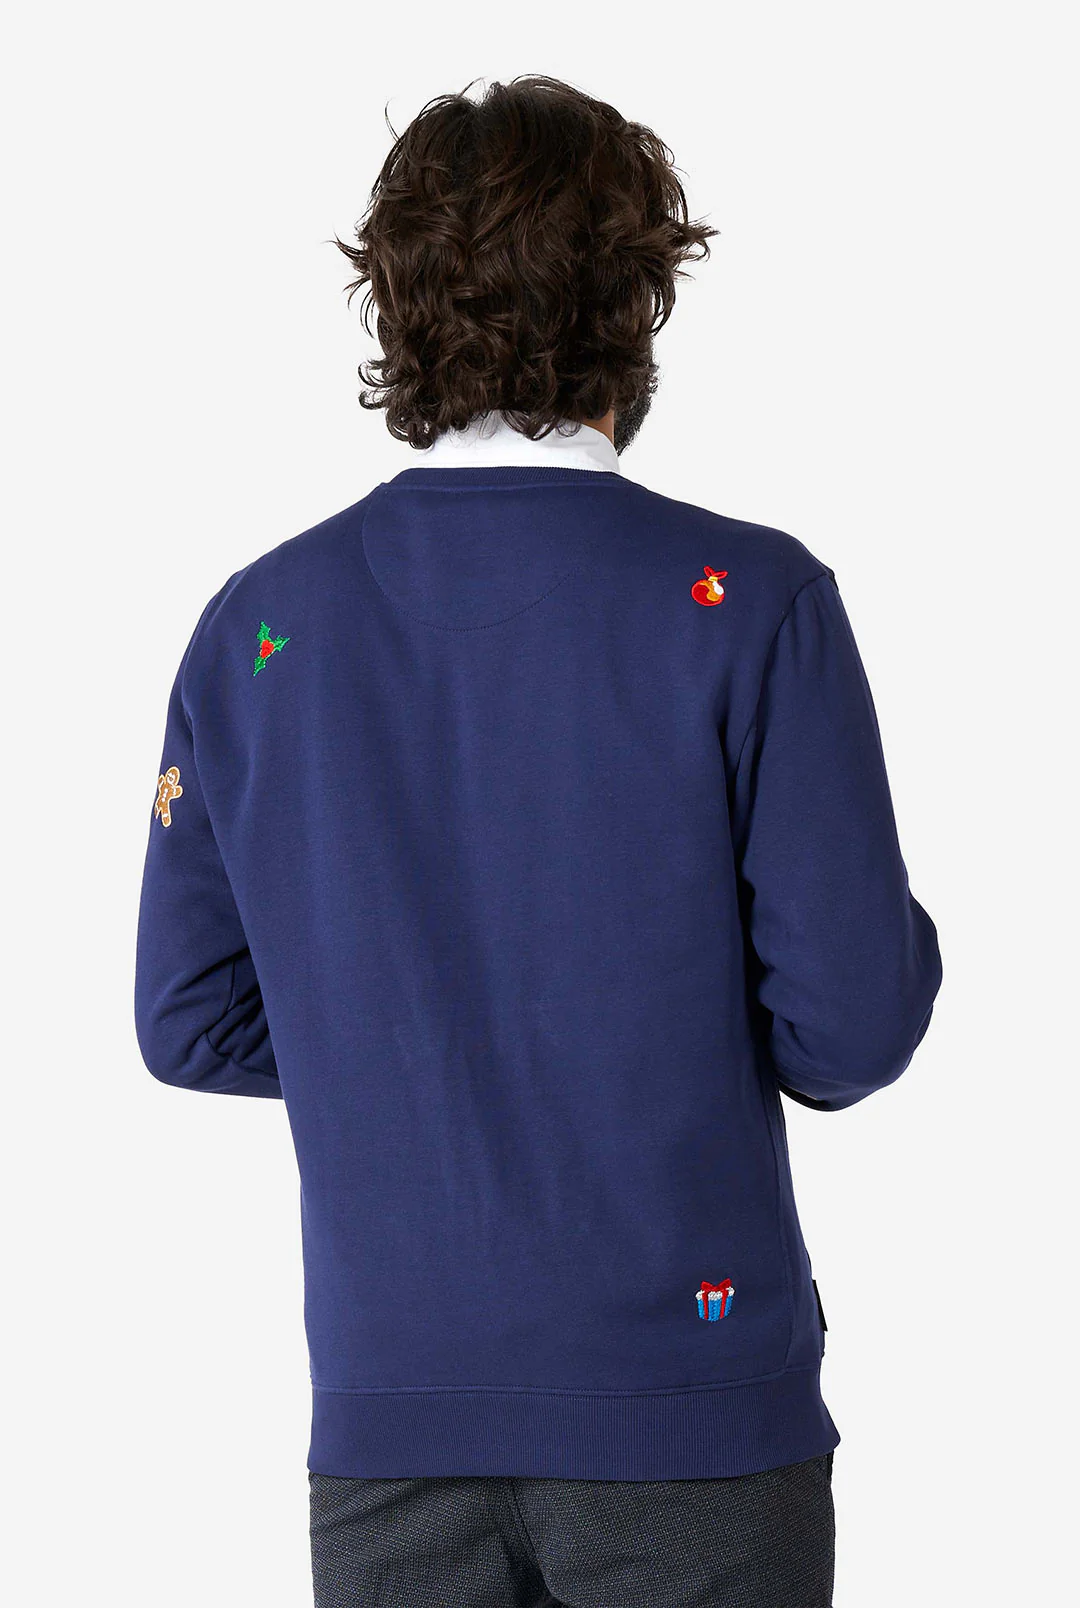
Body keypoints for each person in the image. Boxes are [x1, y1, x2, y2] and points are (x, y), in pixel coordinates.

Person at [135, 75, 942, 1608]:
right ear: (636, 302)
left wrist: (421, 1053)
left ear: (395, 307)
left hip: (391, 1420)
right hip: (691, 1417)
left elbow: (190, 1020)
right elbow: (850, 1030)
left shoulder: (259, 628)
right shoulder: (749, 603)